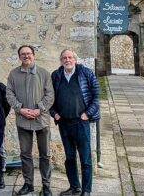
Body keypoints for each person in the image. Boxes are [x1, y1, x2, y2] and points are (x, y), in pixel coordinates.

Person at [6, 45, 55, 196]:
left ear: (34, 55)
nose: (26, 56)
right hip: (23, 120)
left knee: (45, 155)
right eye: (23, 54)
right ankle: (28, 184)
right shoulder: (13, 74)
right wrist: (20, 109)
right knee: (25, 154)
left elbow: (50, 95)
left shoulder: (44, 73)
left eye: (28, 53)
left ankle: (46, 186)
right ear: (19, 56)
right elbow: (9, 94)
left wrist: (39, 109)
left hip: (42, 120)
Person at [50, 49, 100, 196]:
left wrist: (87, 113)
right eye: (64, 58)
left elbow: (96, 96)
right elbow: (49, 96)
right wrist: (54, 113)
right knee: (70, 158)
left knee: (85, 159)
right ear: (61, 60)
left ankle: (86, 190)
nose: (67, 60)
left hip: (81, 122)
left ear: (75, 59)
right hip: (64, 123)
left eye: (70, 57)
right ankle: (74, 187)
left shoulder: (86, 73)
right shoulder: (56, 75)